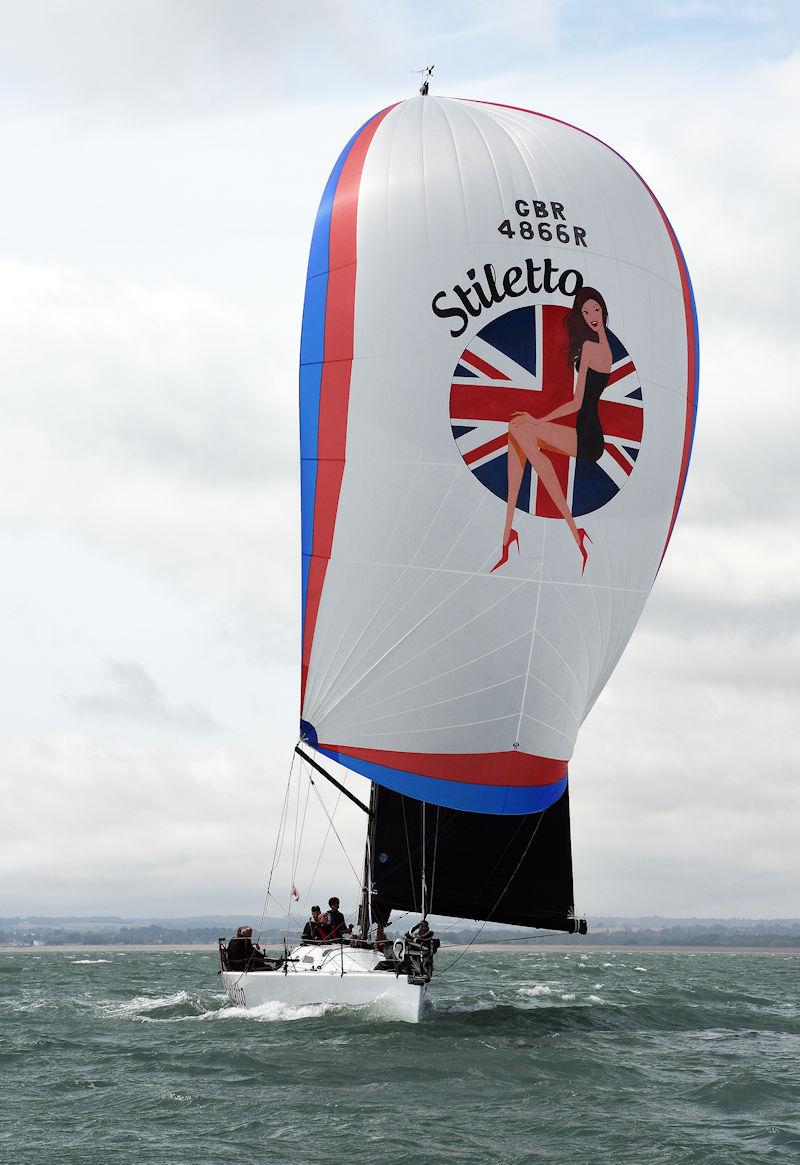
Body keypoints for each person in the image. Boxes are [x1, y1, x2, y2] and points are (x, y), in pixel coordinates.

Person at [493, 287, 613, 575]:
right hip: (586, 433)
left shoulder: (592, 349)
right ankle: (509, 534)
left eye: (595, 309)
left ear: (603, 310)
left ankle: (567, 527)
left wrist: (537, 420)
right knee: (518, 435)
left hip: (588, 437)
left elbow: (576, 402)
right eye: (585, 312)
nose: (591, 316)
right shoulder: (603, 349)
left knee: (521, 429)